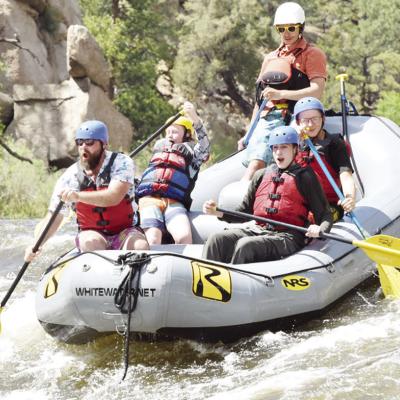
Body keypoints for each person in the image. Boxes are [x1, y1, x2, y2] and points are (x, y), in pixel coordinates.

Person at [202, 126, 332, 264]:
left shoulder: (306, 177)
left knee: (246, 246)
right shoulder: (261, 175)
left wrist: (320, 229)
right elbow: (245, 211)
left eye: (284, 147)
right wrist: (218, 212)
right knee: (216, 239)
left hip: (288, 236)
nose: (278, 152)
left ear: (295, 149)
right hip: (258, 230)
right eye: (275, 148)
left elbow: (325, 214)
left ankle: (235, 282)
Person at [24, 120, 149, 262]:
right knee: (92, 244)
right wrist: (36, 245)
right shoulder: (69, 177)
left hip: (124, 232)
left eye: (89, 142)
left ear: (104, 144)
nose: (84, 147)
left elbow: (114, 197)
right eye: (80, 142)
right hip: (92, 233)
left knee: (139, 246)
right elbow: (55, 216)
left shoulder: (122, 162)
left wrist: (77, 196)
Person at [238, 2, 327, 181]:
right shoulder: (270, 58)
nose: (286, 33)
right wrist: (249, 132)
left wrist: (282, 94)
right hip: (271, 115)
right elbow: (259, 100)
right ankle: (243, 200)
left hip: (299, 115)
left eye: (291, 28)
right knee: (256, 164)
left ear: (300, 28)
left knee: (290, 159)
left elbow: (316, 91)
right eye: (281, 29)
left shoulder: (313, 54)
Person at [136, 101, 210, 245]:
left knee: (183, 238)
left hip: (175, 203)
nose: (170, 135)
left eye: (175, 132)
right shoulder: (159, 149)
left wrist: (194, 118)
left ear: (187, 134)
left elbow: (205, 146)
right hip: (150, 199)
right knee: (153, 238)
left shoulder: (192, 153)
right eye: (168, 132)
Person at [293, 96, 356, 221]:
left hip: (328, 205)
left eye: (315, 119)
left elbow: (345, 174)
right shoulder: (293, 144)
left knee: (312, 220)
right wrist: (295, 140)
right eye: (305, 120)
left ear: (323, 119)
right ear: (298, 123)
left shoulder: (335, 144)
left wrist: (350, 197)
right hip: (302, 203)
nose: (311, 124)